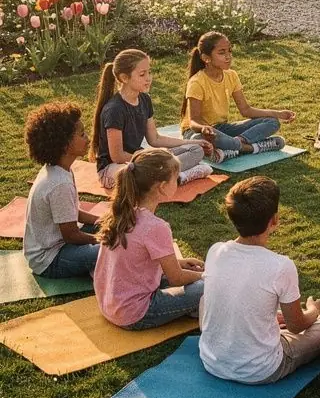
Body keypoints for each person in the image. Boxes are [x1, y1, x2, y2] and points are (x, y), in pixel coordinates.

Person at [199, 176, 320, 383]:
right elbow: (296, 326)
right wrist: (315, 310)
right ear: (274, 220)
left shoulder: (216, 250)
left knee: (206, 298)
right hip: (261, 369)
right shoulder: (280, 266)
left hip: (212, 360)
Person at [93, 148, 205, 330]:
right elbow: (176, 278)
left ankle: (192, 306)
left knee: (196, 283)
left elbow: (137, 261)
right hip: (134, 314)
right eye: (175, 179)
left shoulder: (122, 213)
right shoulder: (155, 227)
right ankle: (195, 306)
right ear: (162, 186)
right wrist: (205, 276)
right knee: (207, 287)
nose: (178, 183)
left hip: (109, 304)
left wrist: (179, 262)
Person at [91, 48, 213, 191]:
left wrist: (193, 141)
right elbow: (117, 156)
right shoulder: (114, 109)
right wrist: (150, 159)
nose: (149, 78)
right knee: (137, 173)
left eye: (149, 72)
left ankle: (171, 175)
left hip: (141, 159)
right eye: (142, 74)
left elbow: (154, 138)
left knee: (195, 150)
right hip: (116, 168)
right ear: (124, 78)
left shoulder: (144, 99)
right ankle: (178, 176)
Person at [181, 31, 295, 160]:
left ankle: (232, 147)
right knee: (199, 140)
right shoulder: (196, 82)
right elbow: (193, 121)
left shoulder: (231, 75)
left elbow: (246, 110)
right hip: (199, 132)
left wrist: (278, 114)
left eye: (229, 51)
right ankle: (253, 148)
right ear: (206, 58)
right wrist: (204, 129)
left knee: (272, 122)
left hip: (221, 128)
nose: (228, 56)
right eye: (222, 52)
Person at [22, 101, 100, 279]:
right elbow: (71, 235)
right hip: (50, 260)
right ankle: (98, 268)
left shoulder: (61, 169)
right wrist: (101, 239)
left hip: (64, 245)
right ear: (65, 145)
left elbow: (74, 213)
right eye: (82, 134)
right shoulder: (59, 184)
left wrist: (104, 221)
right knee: (114, 248)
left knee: (115, 228)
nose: (87, 138)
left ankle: (96, 266)